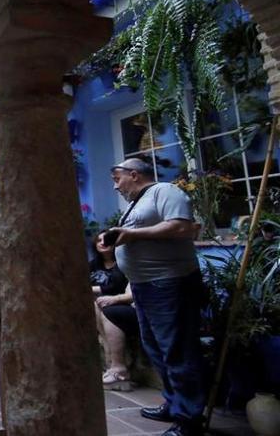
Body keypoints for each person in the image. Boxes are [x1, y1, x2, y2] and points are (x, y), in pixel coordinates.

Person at [107, 157, 204, 436]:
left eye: (117, 179)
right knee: (157, 349)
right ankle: (174, 405)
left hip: (169, 285)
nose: (116, 186)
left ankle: (189, 421)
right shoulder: (138, 203)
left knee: (177, 351)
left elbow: (182, 227)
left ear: (134, 174)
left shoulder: (166, 191)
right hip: (145, 286)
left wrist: (132, 235)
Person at [90, 231, 138, 391]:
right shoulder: (93, 264)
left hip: (123, 305)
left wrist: (110, 296)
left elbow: (118, 288)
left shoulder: (123, 263)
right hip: (101, 303)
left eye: (107, 240)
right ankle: (111, 362)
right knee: (95, 304)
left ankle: (117, 366)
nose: (102, 243)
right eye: (99, 240)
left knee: (101, 305)